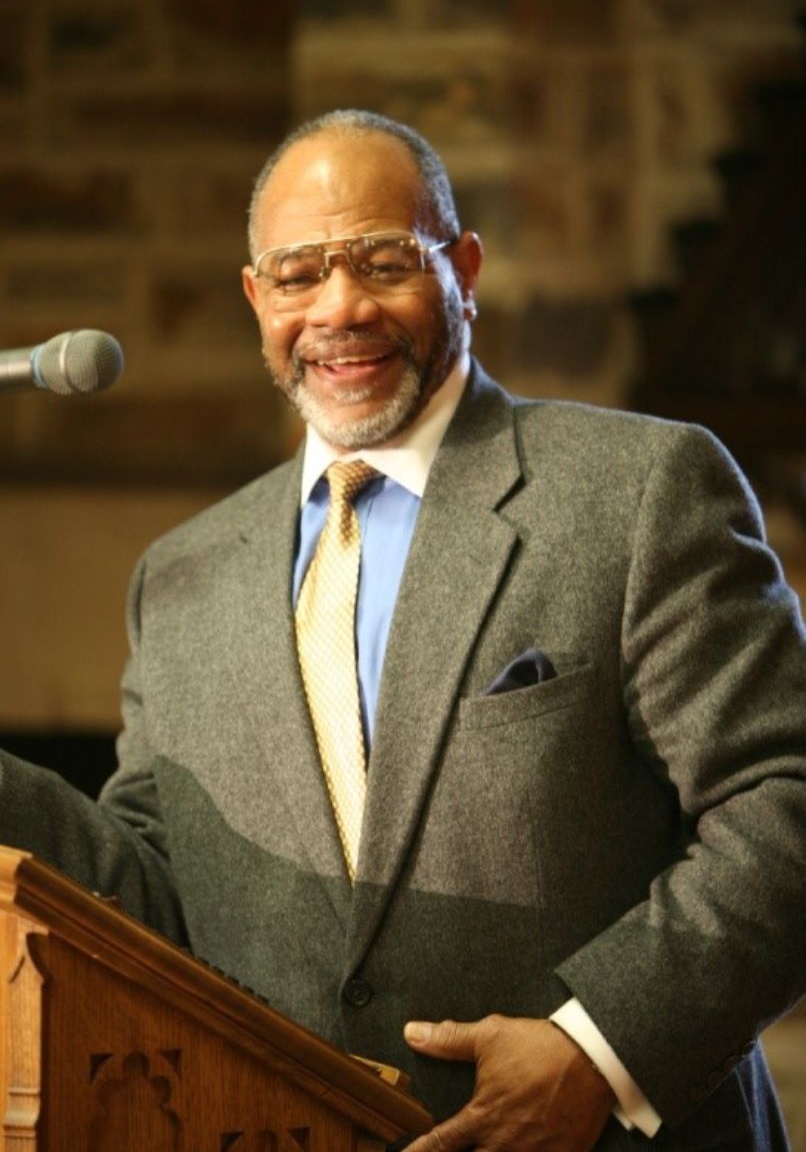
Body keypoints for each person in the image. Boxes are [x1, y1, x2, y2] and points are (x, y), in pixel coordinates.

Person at [2, 109, 804, 1151]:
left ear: (462, 269)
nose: (339, 306)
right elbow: (153, 896)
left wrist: (598, 1050)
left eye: (383, 261)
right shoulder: (180, 578)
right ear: (256, 299)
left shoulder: (637, 490)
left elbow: (781, 799)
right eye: (296, 275)